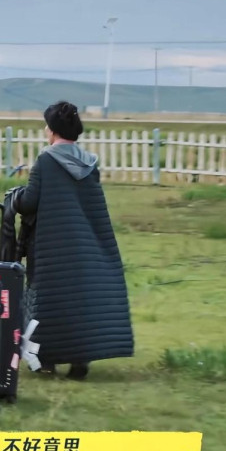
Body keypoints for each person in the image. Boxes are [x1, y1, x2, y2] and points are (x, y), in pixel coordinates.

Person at [13, 100, 134, 379]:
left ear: (53, 130)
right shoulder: (89, 162)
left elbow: (30, 201)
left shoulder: (46, 160)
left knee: (47, 300)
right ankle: (80, 360)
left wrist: (15, 197)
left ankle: (46, 359)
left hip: (53, 245)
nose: (45, 130)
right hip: (84, 244)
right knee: (79, 299)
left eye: (47, 125)